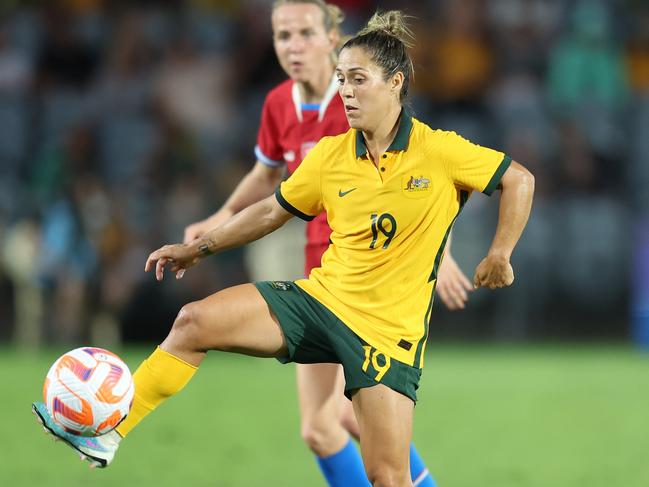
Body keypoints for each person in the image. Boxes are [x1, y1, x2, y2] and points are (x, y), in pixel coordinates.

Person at [32, 10, 535, 487]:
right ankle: (108, 431)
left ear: (395, 83)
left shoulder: (440, 150)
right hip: (319, 303)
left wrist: (499, 254)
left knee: (387, 477)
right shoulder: (334, 153)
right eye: (341, 79)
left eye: (358, 79)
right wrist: (200, 248)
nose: (346, 91)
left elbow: (520, 180)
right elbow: (273, 210)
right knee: (192, 322)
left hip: (386, 336)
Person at [183, 2, 468, 486]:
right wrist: (220, 218)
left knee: (337, 419)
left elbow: (426, 172)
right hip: (319, 274)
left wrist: (440, 253)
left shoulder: (360, 97)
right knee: (322, 425)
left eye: (305, 33)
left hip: (369, 280)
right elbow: (266, 175)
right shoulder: (279, 104)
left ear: (332, 35)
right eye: (282, 35)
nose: (293, 46)